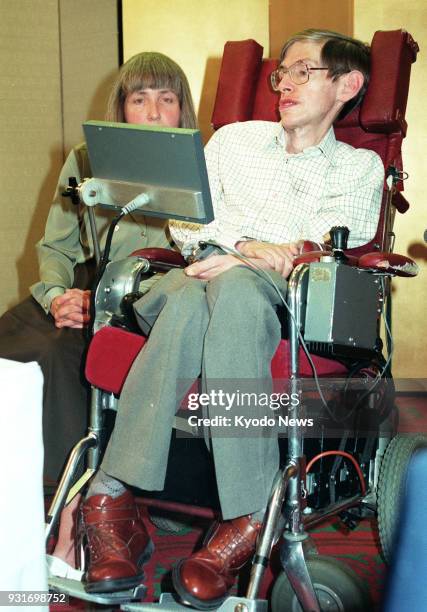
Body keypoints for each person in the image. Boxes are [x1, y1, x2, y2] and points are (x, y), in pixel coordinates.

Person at [76, 29, 385, 606]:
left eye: (302, 72)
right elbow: (188, 225)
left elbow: (335, 242)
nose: (284, 84)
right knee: (210, 290)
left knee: (231, 294)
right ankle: (246, 512)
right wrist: (244, 245)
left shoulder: (359, 167)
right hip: (196, 275)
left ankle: (111, 494)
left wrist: (253, 258)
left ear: (347, 85)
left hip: (284, 297)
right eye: (280, 74)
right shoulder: (232, 142)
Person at [0, 52, 197, 562]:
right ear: (122, 107)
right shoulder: (87, 158)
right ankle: (23, 490)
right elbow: (56, 248)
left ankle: (75, 510)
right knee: (18, 341)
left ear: (183, 109)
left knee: (71, 354)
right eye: (140, 99)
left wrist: (107, 300)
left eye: (167, 99)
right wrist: (55, 295)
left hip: (155, 290)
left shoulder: (203, 164)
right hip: (84, 284)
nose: (153, 113)